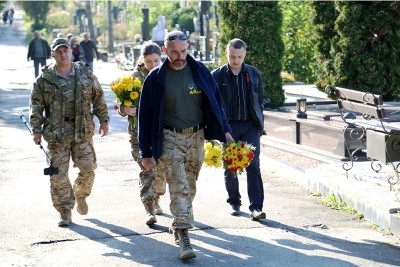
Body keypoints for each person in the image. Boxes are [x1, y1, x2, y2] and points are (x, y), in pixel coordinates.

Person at [138, 31, 233, 261]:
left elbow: (216, 102)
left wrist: (225, 130)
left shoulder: (200, 71)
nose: (179, 56)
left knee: (189, 187)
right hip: (169, 137)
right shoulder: (155, 78)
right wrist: (146, 150)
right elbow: (145, 114)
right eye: (174, 52)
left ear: (188, 47)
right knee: (178, 187)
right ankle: (183, 236)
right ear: (164, 50)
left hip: (196, 138)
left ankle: (181, 223)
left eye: (183, 51)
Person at [29, 38, 110, 227]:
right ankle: (65, 211)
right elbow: (36, 106)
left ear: (70, 52)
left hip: (82, 131)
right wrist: (36, 129)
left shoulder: (84, 74)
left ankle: (80, 194)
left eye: (66, 50)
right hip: (57, 134)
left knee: (88, 169)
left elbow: (98, 98)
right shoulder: (44, 79)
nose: (63, 54)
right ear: (53, 54)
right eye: (59, 51)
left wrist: (104, 120)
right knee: (57, 174)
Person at [211, 38, 266, 221]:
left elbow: (259, 101)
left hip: (250, 125)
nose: (236, 60)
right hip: (229, 126)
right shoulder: (217, 76)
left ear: (244, 55)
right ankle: (234, 201)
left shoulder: (254, 74)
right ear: (227, 54)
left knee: (253, 163)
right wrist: (220, 130)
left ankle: (256, 207)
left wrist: (259, 125)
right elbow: (213, 106)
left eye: (239, 57)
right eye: (232, 56)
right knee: (231, 165)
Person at [117, 42, 166, 226]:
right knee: (147, 169)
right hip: (139, 133)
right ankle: (149, 208)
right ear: (142, 60)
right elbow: (121, 105)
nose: (152, 65)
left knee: (161, 172)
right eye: (148, 61)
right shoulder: (134, 79)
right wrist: (125, 109)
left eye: (155, 61)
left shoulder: (167, 75)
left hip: (162, 132)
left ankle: (157, 198)